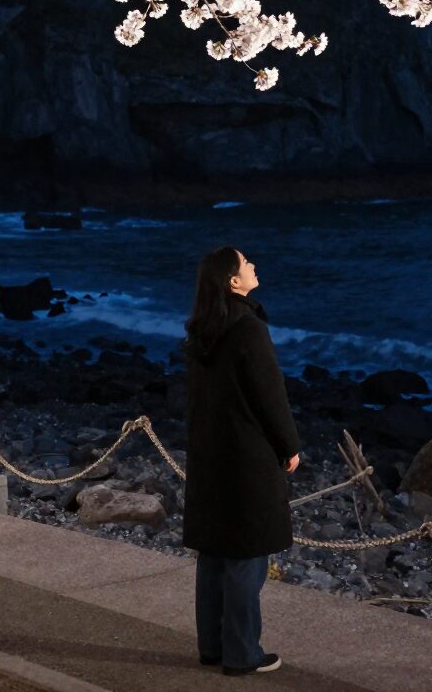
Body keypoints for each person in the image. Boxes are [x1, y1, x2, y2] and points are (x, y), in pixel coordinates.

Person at [181, 246, 301, 677]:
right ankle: (243, 653)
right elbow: (270, 395)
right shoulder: (248, 328)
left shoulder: (201, 332)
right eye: (247, 263)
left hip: (210, 455)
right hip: (247, 457)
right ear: (234, 281)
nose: (253, 266)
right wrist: (288, 445)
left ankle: (212, 648)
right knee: (246, 558)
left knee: (213, 555)